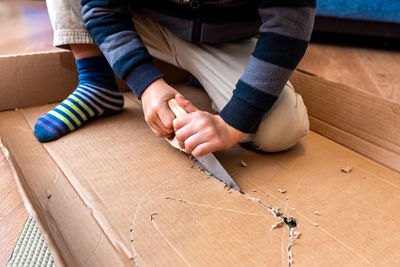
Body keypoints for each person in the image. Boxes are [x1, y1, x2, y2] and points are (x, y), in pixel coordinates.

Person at [36, 0, 315, 158]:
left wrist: (231, 124)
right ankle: (97, 82)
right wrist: (146, 84)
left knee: (280, 130)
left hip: (227, 41)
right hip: (146, 25)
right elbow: (101, 9)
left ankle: (196, 73)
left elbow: (288, 26)